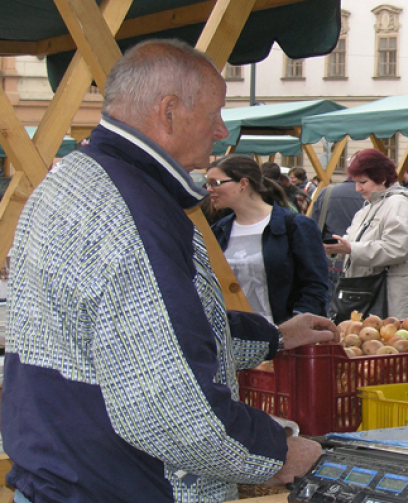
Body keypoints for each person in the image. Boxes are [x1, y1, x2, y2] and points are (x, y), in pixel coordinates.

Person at [0, 39, 338, 503]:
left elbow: (144, 333)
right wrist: (279, 451)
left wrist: (274, 336)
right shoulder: (133, 213)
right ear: (170, 112)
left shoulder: (77, 178)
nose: (222, 129)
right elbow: (171, 409)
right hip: (119, 485)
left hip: (64, 472)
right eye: (215, 112)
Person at [208, 154, 331, 325]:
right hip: (233, 338)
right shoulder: (218, 231)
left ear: (244, 184)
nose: (209, 189)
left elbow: (315, 285)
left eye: (215, 183)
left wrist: (297, 322)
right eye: (207, 184)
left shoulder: (295, 226)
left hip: (283, 339)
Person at [324, 149, 408, 318]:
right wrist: (336, 248)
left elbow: (397, 248)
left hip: (393, 297)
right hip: (369, 293)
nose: (357, 189)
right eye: (356, 182)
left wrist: (351, 249)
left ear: (382, 178)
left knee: (393, 343)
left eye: (363, 182)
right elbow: (353, 242)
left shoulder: (399, 203)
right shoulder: (367, 208)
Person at [310, 176, 366, 305]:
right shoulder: (377, 198)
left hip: (332, 259)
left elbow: (314, 228)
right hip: (364, 263)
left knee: (331, 310)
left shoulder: (327, 192)